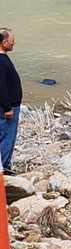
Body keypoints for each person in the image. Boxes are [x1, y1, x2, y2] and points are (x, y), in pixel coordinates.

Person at [0, 29, 21, 174]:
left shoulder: (3, 58)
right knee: (7, 136)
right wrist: (7, 107)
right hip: (7, 107)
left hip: (9, 104)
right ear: (4, 42)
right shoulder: (0, 61)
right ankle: (4, 167)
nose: (14, 42)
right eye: (12, 39)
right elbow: (0, 86)